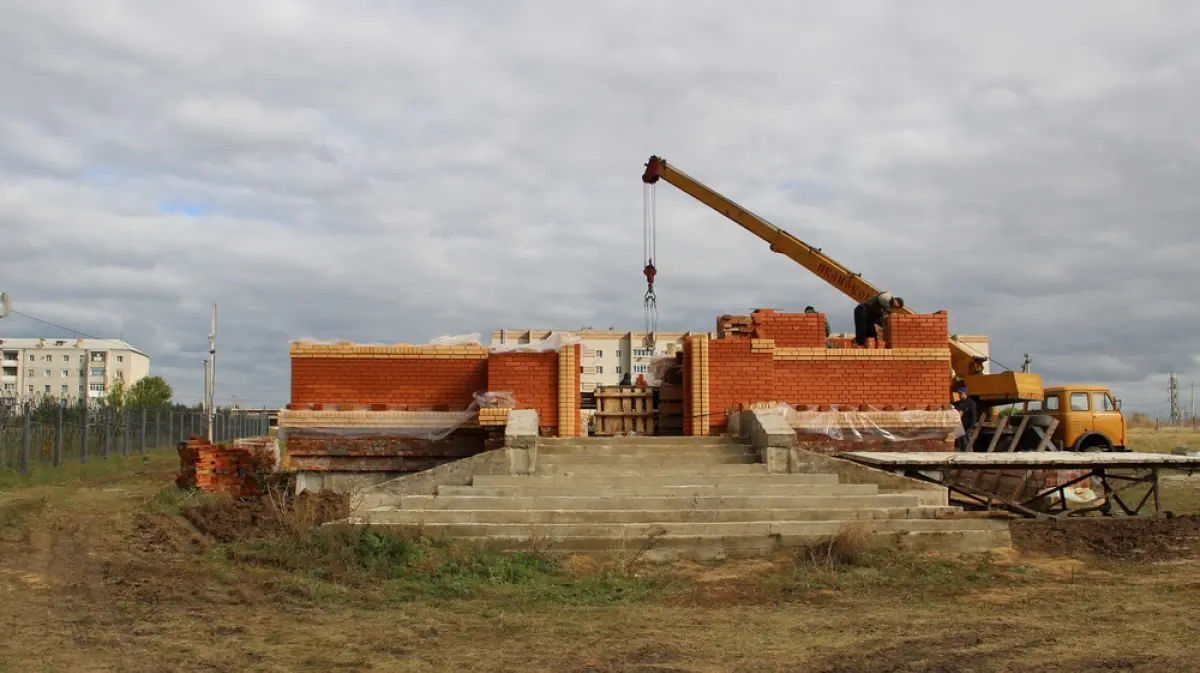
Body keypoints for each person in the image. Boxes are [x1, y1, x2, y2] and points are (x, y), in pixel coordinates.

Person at [952, 382, 979, 451]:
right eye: (959, 394)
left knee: (967, 444)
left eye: (961, 394)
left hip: (968, 428)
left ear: (965, 393)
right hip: (960, 428)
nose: (959, 395)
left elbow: (974, 416)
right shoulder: (959, 403)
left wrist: (971, 427)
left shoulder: (971, 403)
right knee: (961, 444)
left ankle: (970, 458)